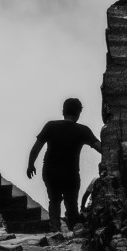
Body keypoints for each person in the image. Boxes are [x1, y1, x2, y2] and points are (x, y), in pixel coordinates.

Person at [26, 98, 101, 234]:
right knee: (71, 205)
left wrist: (30, 165)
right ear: (79, 113)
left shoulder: (50, 126)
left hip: (50, 172)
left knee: (54, 200)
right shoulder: (82, 130)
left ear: (63, 111)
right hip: (70, 174)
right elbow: (99, 147)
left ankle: (55, 229)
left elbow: (35, 148)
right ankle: (74, 231)